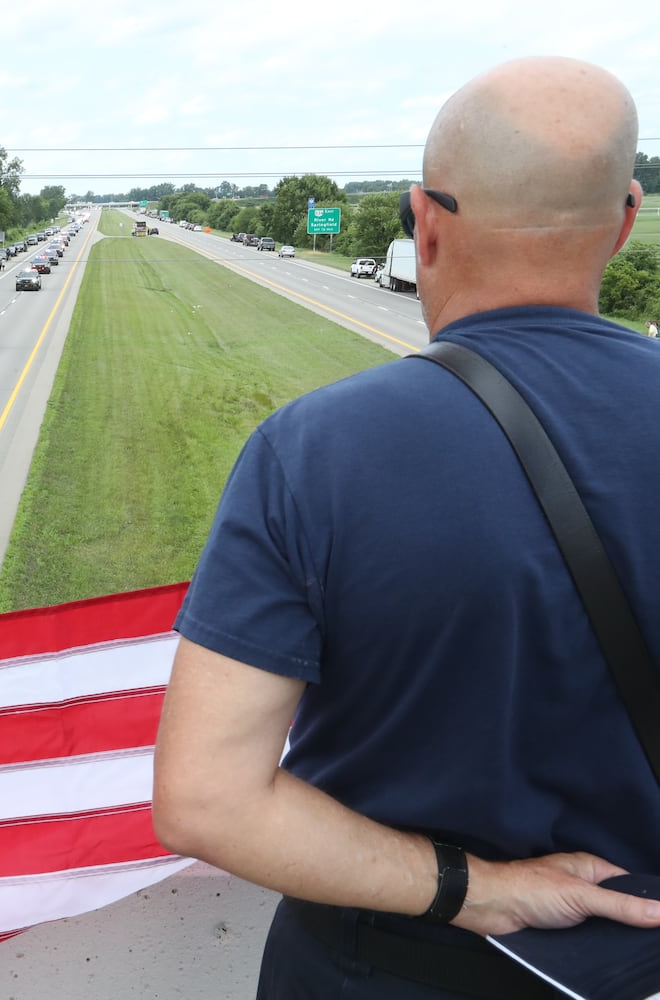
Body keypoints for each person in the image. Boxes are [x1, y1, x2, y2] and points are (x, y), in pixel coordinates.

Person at [151, 56, 660, 1000]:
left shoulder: (315, 451)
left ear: (424, 224)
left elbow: (205, 799)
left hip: (376, 963)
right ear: (625, 220)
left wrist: (478, 890)